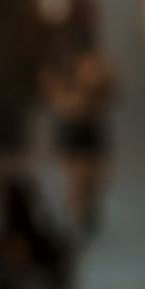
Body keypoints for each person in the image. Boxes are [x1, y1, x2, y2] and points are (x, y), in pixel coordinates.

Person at [42, 43, 113, 240]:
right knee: (78, 178)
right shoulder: (60, 84)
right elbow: (65, 107)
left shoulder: (93, 80)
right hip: (74, 139)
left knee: (91, 177)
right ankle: (79, 215)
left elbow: (105, 94)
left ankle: (84, 213)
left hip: (88, 137)